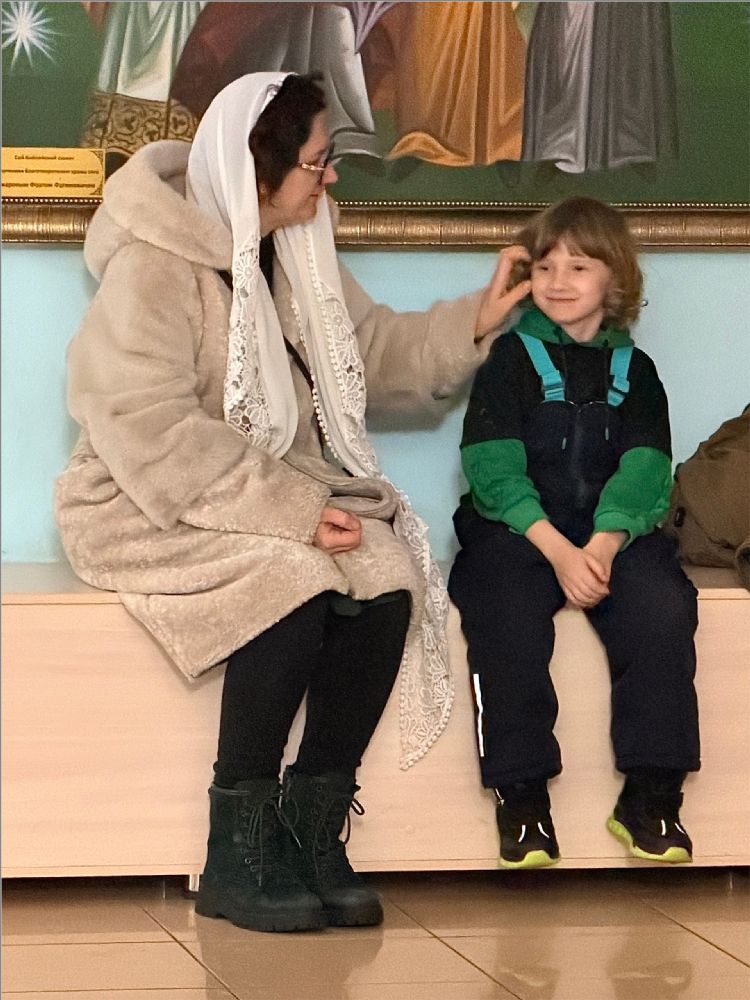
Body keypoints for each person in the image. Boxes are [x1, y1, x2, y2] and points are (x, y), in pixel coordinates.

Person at [55, 72, 530, 932]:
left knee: (386, 576)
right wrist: (292, 513)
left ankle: (309, 833)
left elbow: (366, 353)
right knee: (295, 581)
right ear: (260, 169)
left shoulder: (296, 253)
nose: (330, 177)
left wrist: (476, 318)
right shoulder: (156, 264)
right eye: (317, 161)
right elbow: (145, 425)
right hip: (142, 500)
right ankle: (234, 854)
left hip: (258, 487)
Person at [449, 196, 700, 869]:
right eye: (545, 267)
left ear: (615, 279)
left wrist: (605, 543)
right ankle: (522, 797)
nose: (558, 281)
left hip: (609, 536)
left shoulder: (637, 373)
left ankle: (650, 796)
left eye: (579, 267)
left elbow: (647, 470)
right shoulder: (508, 360)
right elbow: (491, 468)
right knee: (504, 613)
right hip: (520, 531)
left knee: (664, 607)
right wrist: (559, 551)